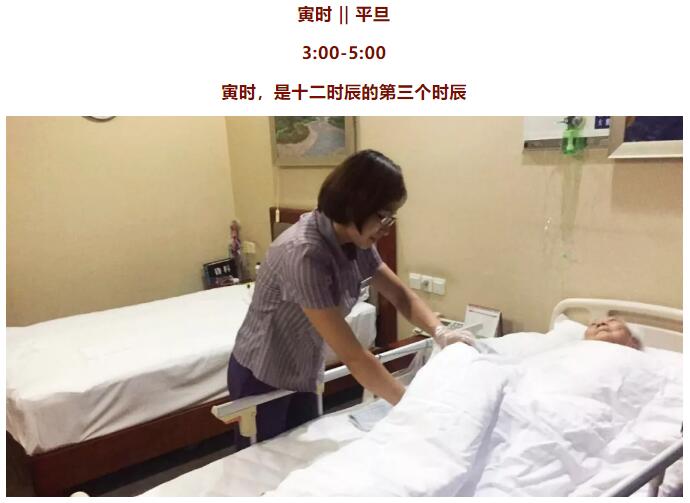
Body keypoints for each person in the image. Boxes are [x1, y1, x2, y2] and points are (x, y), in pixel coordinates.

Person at [227, 149, 472, 443]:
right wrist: (411, 406)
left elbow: (399, 295)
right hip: (261, 371)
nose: (387, 228)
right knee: (265, 460)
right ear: (355, 205)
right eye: (383, 217)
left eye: (392, 218)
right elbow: (354, 356)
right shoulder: (304, 254)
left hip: (303, 365)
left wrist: (440, 331)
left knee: (301, 454)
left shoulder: (357, 241)